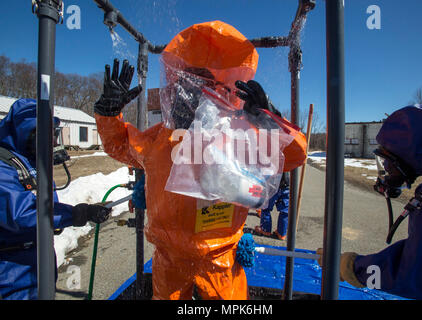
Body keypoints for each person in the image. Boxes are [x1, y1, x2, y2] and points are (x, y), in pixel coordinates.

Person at [94, 21, 307, 300]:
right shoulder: (159, 139)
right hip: (169, 261)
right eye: (184, 85)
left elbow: (294, 155)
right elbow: (119, 145)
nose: (189, 95)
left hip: (220, 262)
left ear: (216, 92)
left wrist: (267, 116)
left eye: (199, 87)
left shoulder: (237, 134)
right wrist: (108, 113)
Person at [317, 105, 422, 300]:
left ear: (411, 152)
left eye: (390, 160)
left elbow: (414, 275)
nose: (387, 169)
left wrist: (352, 268)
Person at [0, 99, 111, 300]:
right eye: (43, 135)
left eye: (52, 134)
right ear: (26, 132)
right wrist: (78, 213)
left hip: (40, 258)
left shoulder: (33, 162)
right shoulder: (4, 166)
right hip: (12, 268)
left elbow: (47, 203)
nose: (50, 141)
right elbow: (22, 214)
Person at [254, 172, 290, 240]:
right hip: (286, 184)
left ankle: (265, 230)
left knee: (266, 207)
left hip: (273, 183)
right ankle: (282, 233)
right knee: (285, 211)